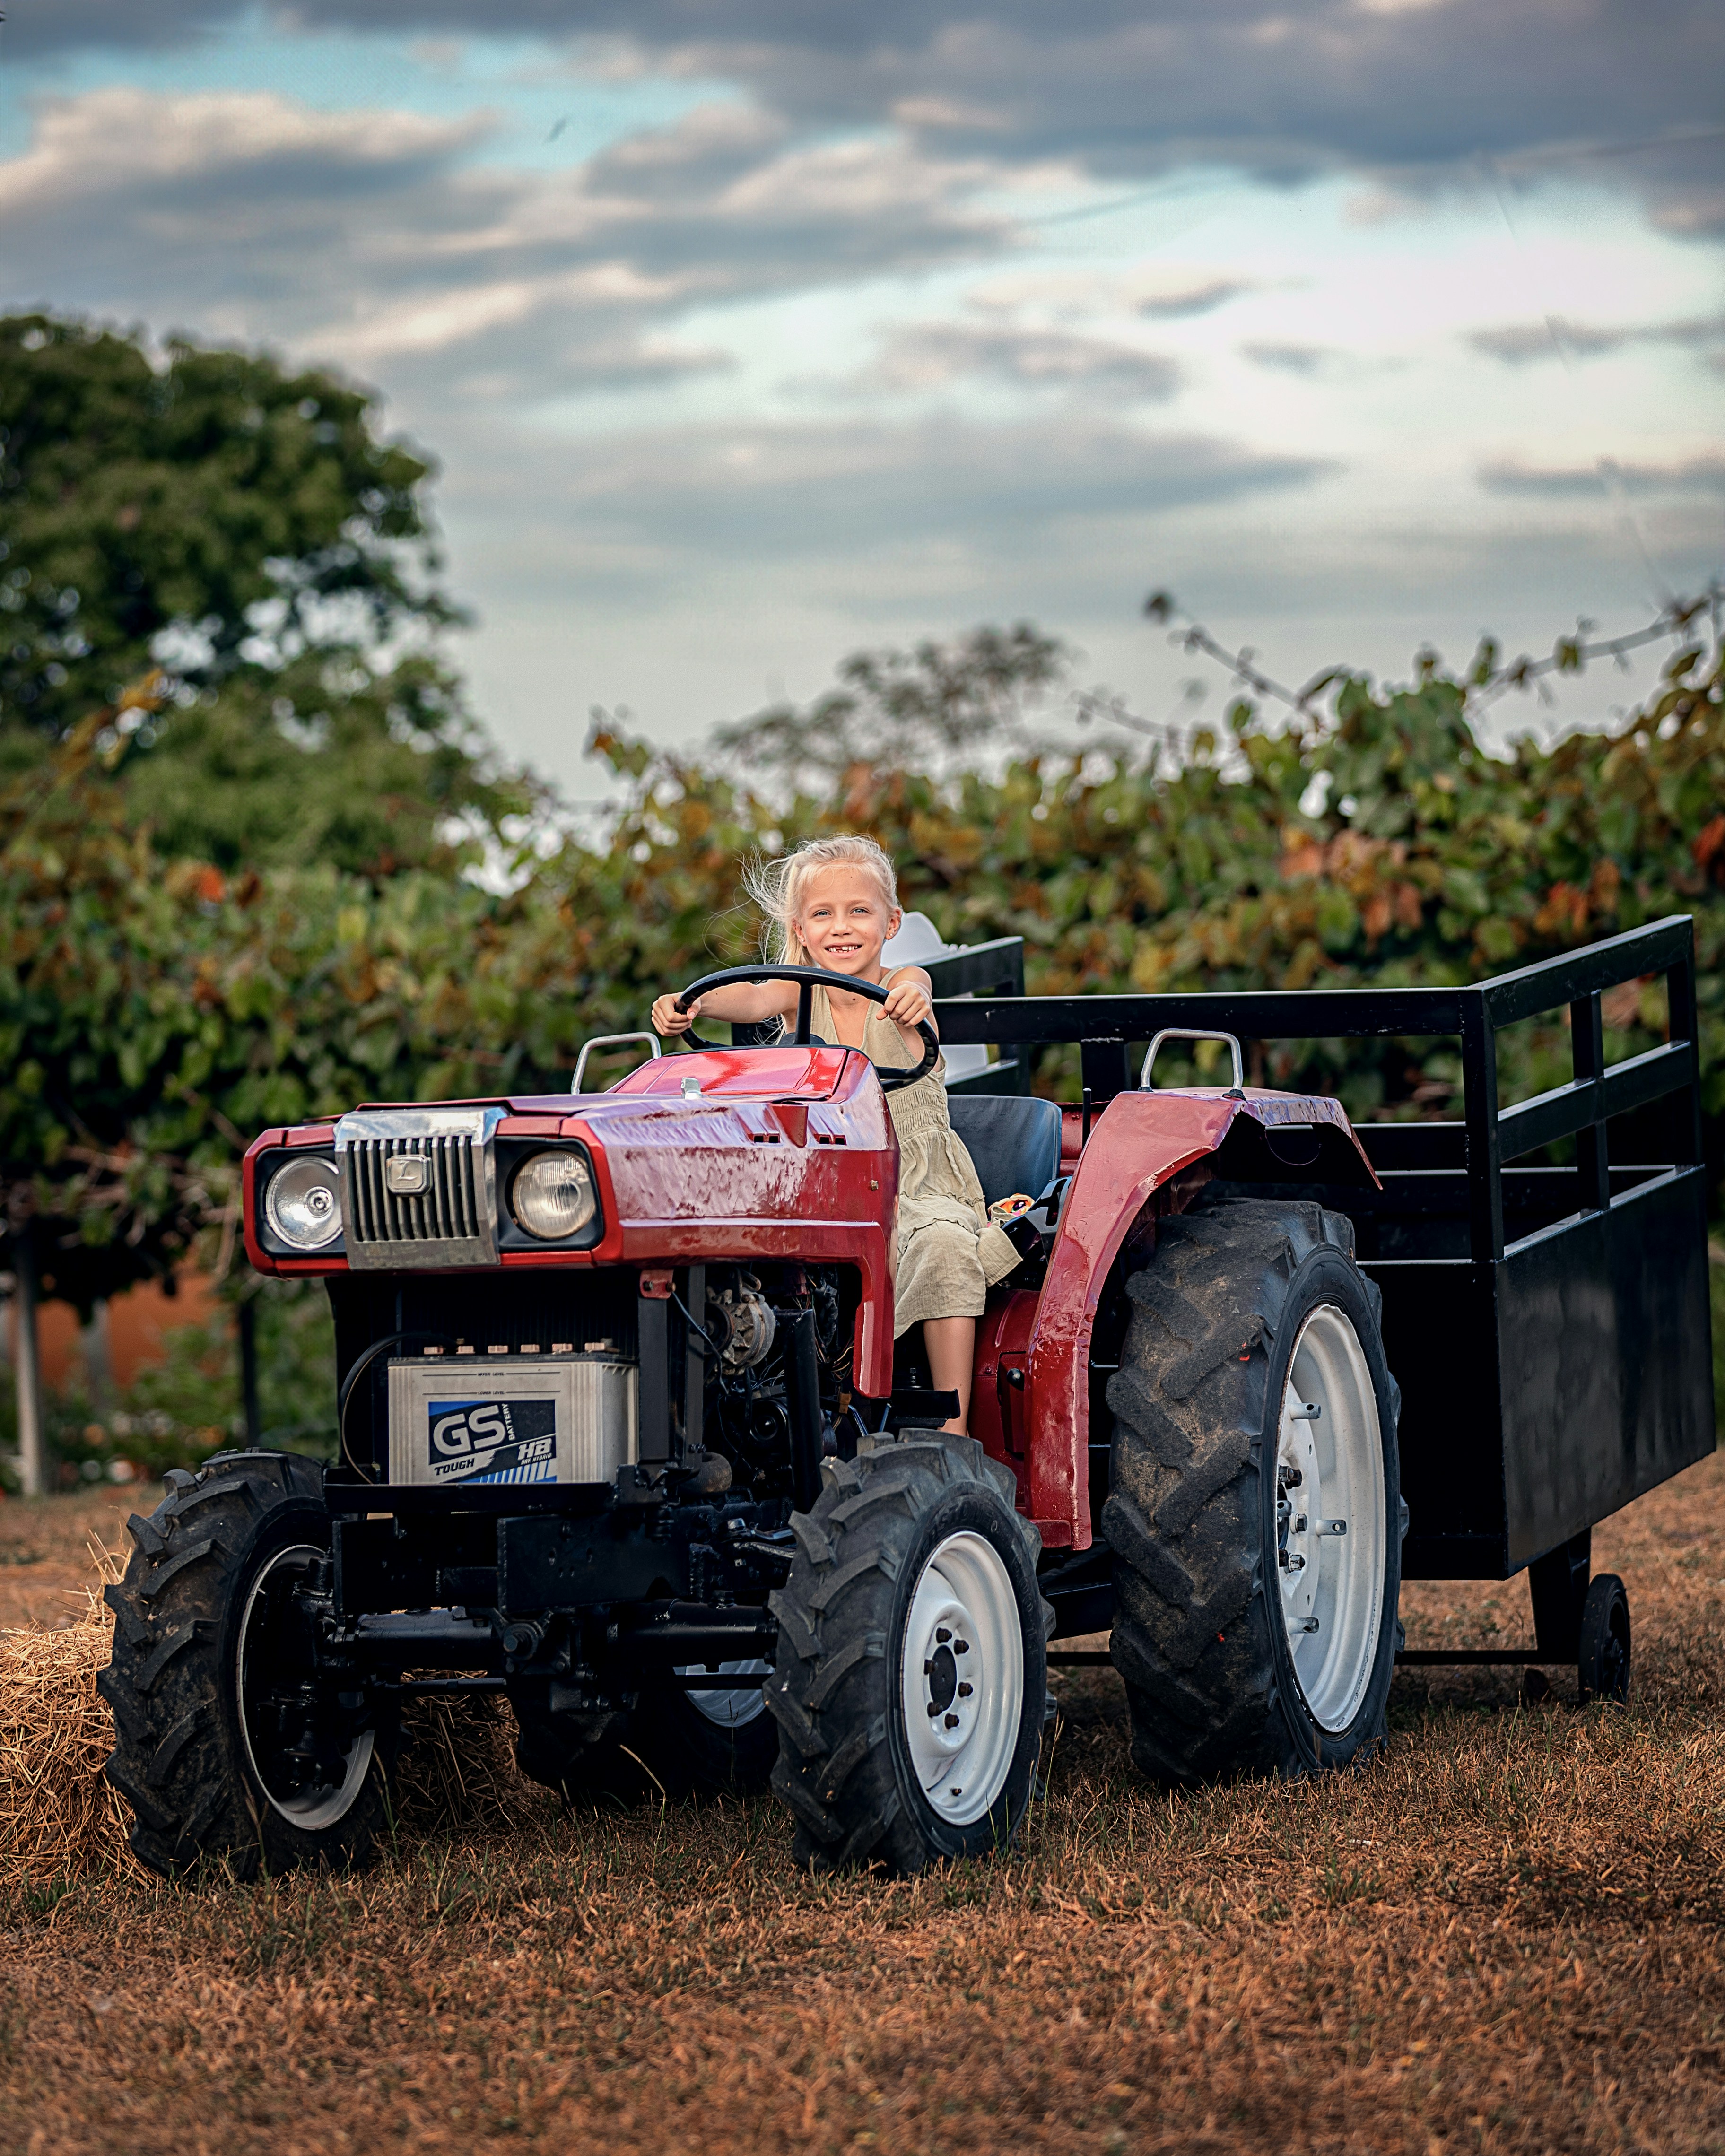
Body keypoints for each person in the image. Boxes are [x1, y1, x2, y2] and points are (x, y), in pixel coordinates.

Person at [650, 834, 1018, 1436]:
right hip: (825, 1175)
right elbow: (749, 995)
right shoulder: (799, 994)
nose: (841, 928)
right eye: (823, 914)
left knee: (945, 1247)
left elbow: (918, 989)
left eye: (860, 911)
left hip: (915, 1179)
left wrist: (909, 1000)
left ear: (891, 921)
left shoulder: (901, 987)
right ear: (800, 927)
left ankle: (954, 1432)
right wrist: (692, 1004)